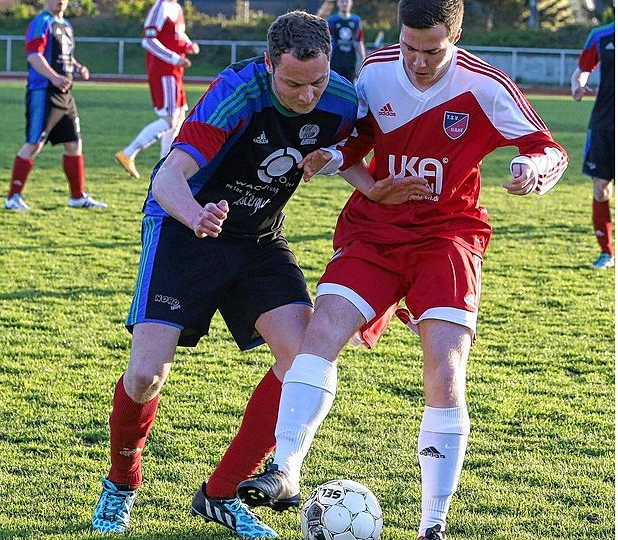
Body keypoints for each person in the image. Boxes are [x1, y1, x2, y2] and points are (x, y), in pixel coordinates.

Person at [90, 10, 430, 538]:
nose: (306, 95)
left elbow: (352, 150)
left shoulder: (341, 98)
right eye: (293, 83)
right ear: (269, 63)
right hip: (185, 230)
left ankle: (221, 494)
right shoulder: (236, 92)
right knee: (145, 375)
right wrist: (195, 215)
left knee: (302, 361)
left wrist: (369, 185)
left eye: (317, 81)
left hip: (258, 240)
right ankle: (121, 482)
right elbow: (170, 177)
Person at [235, 2, 568, 540]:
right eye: (410, 47)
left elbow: (549, 147)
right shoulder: (376, 71)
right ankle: (287, 469)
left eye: (432, 50)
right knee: (319, 332)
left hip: (447, 236)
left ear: (455, 37)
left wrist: (533, 169)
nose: (416, 61)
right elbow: (356, 140)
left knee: (443, 368)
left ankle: (432, 523)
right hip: (376, 231)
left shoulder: (485, 85)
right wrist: (332, 157)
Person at [5, 0, 107, 211]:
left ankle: (77, 197)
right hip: (44, 91)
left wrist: (77, 66)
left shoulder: (66, 25)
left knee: (73, 143)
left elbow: (65, 55)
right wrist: (54, 77)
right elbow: (34, 56)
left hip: (65, 93)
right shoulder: (41, 22)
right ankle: (13, 197)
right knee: (34, 143)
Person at [114, 0, 200, 180]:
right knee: (169, 120)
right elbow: (148, 40)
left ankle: (165, 167)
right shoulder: (160, 7)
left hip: (175, 72)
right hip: (164, 72)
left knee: (178, 118)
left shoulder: (176, 7)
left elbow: (179, 35)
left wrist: (188, 45)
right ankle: (128, 153)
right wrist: (174, 58)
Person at [571, 18, 615, 270]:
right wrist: (578, 85)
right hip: (604, 123)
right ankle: (606, 252)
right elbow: (582, 70)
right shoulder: (601, 35)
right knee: (600, 188)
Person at [326, 0, 366, 82]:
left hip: (351, 60)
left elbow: (359, 41)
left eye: (347, 1)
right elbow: (329, 42)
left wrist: (363, 60)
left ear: (351, 3)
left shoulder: (356, 20)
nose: (344, 4)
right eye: (342, 1)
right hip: (336, 60)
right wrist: (327, 61)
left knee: (350, 85)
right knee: (335, 85)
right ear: (338, 3)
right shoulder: (332, 20)